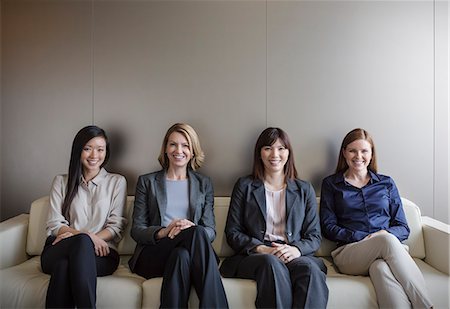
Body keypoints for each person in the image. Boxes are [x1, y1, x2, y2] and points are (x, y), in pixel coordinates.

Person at [320, 128, 433, 309]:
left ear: (371, 154)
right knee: (385, 239)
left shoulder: (386, 183)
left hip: (386, 252)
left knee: (380, 268)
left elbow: (403, 228)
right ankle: (427, 306)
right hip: (350, 253)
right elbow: (328, 226)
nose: (359, 156)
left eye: (364, 151)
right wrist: (365, 237)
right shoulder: (331, 184)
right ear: (344, 153)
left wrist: (381, 234)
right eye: (352, 150)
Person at [220, 127, 328, 309]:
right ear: (259, 153)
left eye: (281, 148)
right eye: (268, 148)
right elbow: (233, 232)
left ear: (288, 153)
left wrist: (295, 250)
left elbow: (314, 236)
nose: (275, 154)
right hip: (258, 256)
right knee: (271, 263)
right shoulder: (244, 186)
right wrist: (263, 249)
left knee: (310, 270)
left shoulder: (304, 189)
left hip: (293, 254)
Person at [128, 123, 228, 308]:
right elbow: (137, 230)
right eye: (173, 144)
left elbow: (211, 230)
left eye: (185, 145)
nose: (178, 150)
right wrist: (165, 231)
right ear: (165, 149)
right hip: (154, 252)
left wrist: (189, 228)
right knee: (195, 234)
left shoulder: (203, 183)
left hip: (190, 252)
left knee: (182, 253)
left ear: (192, 151)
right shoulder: (147, 182)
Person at [41, 125, 127, 308]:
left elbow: (115, 227)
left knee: (64, 267)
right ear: (78, 151)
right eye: (88, 148)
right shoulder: (61, 182)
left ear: (106, 152)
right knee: (81, 242)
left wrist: (88, 240)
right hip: (60, 249)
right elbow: (55, 223)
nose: (94, 155)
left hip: (102, 255)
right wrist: (87, 237)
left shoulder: (117, 182)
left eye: (100, 149)